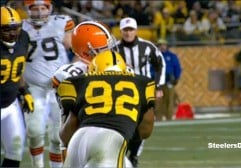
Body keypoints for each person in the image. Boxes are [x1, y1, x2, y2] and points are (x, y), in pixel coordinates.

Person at [57, 50, 155, 168]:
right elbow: (145, 131)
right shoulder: (141, 83)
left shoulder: (82, 82)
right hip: (109, 139)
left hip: (77, 141)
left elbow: (65, 136)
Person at [22, 0, 75, 167]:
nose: (39, 12)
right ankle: (37, 165)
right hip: (33, 87)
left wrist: (72, 70)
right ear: (28, 10)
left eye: (43, 8)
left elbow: (79, 51)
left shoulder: (61, 22)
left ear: (49, 9)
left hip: (59, 87)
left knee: (57, 135)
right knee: (35, 131)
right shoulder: (19, 27)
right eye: (35, 8)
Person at [116, 17, 166, 167]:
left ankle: (135, 156)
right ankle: (123, 154)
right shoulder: (114, 49)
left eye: (131, 29)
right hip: (123, 93)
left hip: (144, 92)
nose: (128, 33)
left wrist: (158, 86)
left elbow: (160, 64)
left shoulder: (147, 46)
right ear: (121, 31)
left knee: (143, 127)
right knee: (124, 125)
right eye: (125, 30)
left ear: (136, 31)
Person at [0, 6, 34, 167]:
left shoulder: (24, 38)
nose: (13, 33)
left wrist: (24, 90)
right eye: (6, 29)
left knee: (15, 152)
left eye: (16, 28)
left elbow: (17, 70)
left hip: (11, 104)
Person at [154, 38, 182, 121]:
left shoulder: (172, 56)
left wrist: (176, 78)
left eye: (163, 45)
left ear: (166, 46)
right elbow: (151, 69)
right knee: (158, 101)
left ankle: (169, 119)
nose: (162, 47)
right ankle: (159, 119)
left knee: (170, 101)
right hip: (158, 83)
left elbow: (177, 68)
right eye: (160, 45)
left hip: (170, 82)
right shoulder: (155, 57)